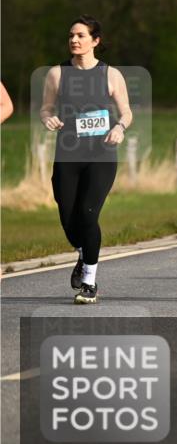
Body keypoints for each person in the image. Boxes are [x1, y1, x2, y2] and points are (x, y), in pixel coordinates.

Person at [40, 16, 132, 304]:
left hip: (101, 156)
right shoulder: (57, 74)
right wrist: (48, 119)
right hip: (67, 155)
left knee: (88, 214)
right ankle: (83, 254)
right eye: (71, 35)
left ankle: (89, 281)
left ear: (95, 40)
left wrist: (119, 127)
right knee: (69, 218)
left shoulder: (111, 75)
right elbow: (45, 109)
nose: (74, 40)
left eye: (80, 35)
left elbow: (126, 112)